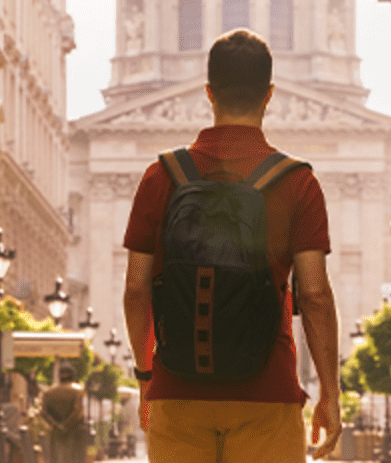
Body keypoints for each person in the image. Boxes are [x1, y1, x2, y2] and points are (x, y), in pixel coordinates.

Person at [122, 28, 342, 462]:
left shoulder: (160, 176)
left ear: (208, 92)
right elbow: (314, 295)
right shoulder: (297, 181)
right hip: (267, 392)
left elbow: (135, 290)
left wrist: (147, 375)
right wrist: (330, 393)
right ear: (269, 95)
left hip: (177, 392)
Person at [39, 365, 89, 463]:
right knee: (73, 457)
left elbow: (43, 412)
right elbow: (78, 411)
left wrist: (56, 425)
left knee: (55, 457)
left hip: (55, 431)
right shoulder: (78, 390)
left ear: (59, 376)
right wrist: (66, 425)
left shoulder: (49, 391)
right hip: (74, 431)